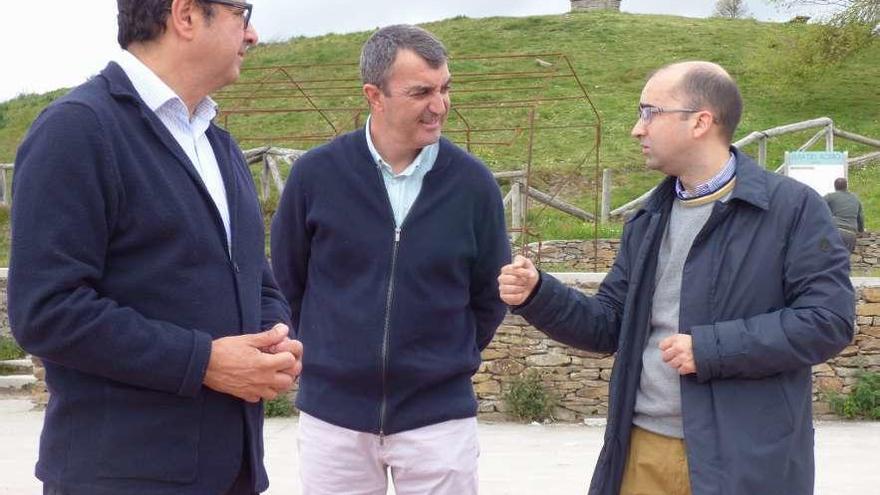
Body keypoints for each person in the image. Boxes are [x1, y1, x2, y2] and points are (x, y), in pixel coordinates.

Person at [498, 61, 854, 495]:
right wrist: (539, 294)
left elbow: (827, 321)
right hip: (642, 452)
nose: (637, 129)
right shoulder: (646, 218)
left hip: (746, 459)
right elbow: (609, 324)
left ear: (700, 121)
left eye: (650, 112)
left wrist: (711, 348)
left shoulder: (793, 209)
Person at [8, 1, 303, 494]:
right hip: (121, 477)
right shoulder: (77, 130)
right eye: (242, 13)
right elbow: (46, 310)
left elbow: (256, 279)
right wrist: (203, 361)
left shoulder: (218, 145)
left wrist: (275, 339)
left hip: (232, 473)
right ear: (186, 15)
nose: (252, 35)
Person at [270, 24, 510, 495]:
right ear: (374, 96)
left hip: (439, 421)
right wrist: (332, 355)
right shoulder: (314, 176)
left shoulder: (474, 184)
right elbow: (287, 282)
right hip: (333, 421)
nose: (439, 105)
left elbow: (489, 295)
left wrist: (441, 360)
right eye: (421, 92)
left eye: (445, 88)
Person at [824, 177, 864, 252]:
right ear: (846, 186)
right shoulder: (855, 198)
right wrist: (861, 231)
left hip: (835, 230)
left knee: (828, 258)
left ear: (835, 186)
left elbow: (818, 208)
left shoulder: (830, 196)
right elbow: (860, 217)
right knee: (844, 260)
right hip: (850, 233)